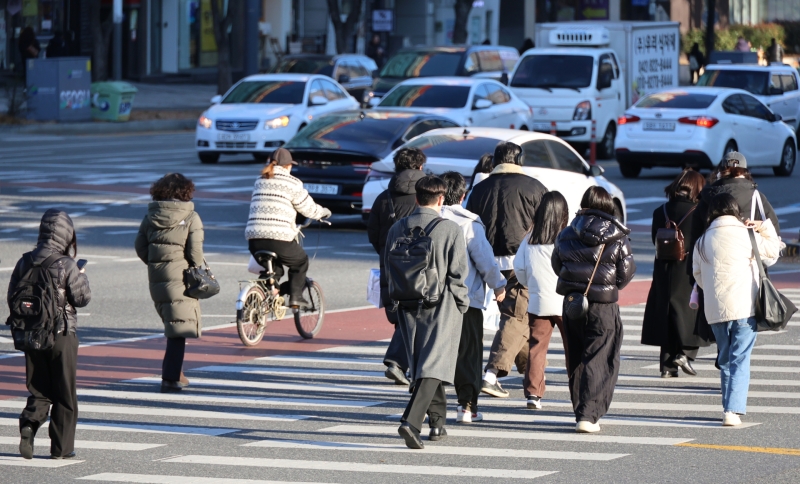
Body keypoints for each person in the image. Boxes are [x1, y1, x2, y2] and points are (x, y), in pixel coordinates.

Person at [389, 176, 469, 449]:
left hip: (406, 301)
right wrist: (462, 302)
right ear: (441, 199)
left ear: (417, 198)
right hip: (442, 302)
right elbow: (458, 273)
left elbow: (387, 265)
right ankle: (411, 421)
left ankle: (437, 423)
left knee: (427, 361)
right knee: (434, 363)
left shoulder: (398, 227)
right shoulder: (450, 229)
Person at [466, 142, 548, 398]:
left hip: (487, 260)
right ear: (519, 159)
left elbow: (470, 225)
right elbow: (547, 225)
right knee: (517, 316)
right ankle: (492, 374)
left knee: (516, 316)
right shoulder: (534, 187)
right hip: (521, 261)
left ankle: (531, 373)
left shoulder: (479, 189)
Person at [8, 209, 91, 459]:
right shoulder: (66, 264)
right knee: (65, 393)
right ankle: (61, 449)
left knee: (39, 388)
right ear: (67, 235)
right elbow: (81, 298)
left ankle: (29, 424)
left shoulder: (24, 261)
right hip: (62, 333)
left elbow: (12, 297)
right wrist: (82, 277)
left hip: (31, 334)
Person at [552, 186, 636, 433]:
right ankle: (589, 415)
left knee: (577, 355)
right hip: (603, 306)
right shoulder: (617, 236)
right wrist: (606, 286)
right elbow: (625, 273)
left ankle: (580, 410)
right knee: (601, 356)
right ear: (608, 205)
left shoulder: (567, 232)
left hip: (573, 303)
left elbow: (557, 265)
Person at [692, 193, 781, 426]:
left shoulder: (702, 241)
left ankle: (728, 407)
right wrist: (763, 226)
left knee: (725, 358)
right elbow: (773, 251)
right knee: (740, 358)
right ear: (735, 211)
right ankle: (731, 410)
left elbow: (698, 275)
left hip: (715, 311)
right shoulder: (747, 234)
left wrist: (714, 291)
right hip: (744, 307)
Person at [440, 171, 506, 424]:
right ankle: (466, 407)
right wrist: (498, 285)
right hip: (466, 299)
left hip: (431, 299)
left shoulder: (427, 219)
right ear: (463, 195)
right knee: (468, 353)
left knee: (433, 353)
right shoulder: (469, 223)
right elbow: (485, 261)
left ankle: (428, 406)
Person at [135, 174, 205, 393]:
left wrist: (156, 263)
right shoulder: (191, 216)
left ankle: (176, 373)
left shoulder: (150, 216)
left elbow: (140, 246)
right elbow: (195, 252)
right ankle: (171, 377)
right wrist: (199, 269)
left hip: (157, 276)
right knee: (179, 326)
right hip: (181, 277)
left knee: (173, 323)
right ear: (186, 191)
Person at [642, 170, 710, 378]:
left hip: (663, 268)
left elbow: (655, 239)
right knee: (693, 312)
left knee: (667, 314)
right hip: (689, 268)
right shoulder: (699, 212)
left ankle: (667, 367)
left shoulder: (660, 211)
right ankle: (685, 353)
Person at [367, 148, 426, 386]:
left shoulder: (384, 197)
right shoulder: (428, 196)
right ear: (420, 167)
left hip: (390, 262)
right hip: (420, 263)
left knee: (400, 313)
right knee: (417, 313)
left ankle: (401, 364)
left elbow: (373, 234)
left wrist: (386, 252)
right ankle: (399, 363)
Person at [244, 148, 331, 308]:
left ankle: (260, 301)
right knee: (300, 262)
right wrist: (323, 212)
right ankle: (296, 296)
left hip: (254, 238)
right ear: (288, 165)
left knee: (274, 271)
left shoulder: (260, 180)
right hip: (279, 239)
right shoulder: (292, 183)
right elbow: (308, 208)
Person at [513, 191, 569, 410]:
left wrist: (530, 284)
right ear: (563, 213)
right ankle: (578, 387)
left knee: (537, 347)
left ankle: (533, 394)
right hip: (565, 302)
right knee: (572, 346)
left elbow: (519, 268)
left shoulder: (530, 239)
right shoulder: (567, 238)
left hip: (538, 301)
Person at [694, 152, 780, 235]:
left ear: (720, 172)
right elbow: (774, 230)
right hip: (748, 244)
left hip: (712, 244)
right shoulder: (756, 197)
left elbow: (695, 234)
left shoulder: (707, 196)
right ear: (745, 172)